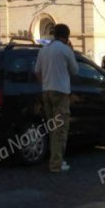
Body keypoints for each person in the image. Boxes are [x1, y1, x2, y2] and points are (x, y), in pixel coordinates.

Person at [35, 24, 79, 173]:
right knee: (60, 129)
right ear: (66, 37)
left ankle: (55, 160)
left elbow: (37, 72)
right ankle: (56, 164)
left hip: (46, 91)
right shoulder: (66, 50)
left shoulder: (44, 50)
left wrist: (46, 83)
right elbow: (75, 71)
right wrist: (72, 51)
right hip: (61, 92)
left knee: (52, 129)